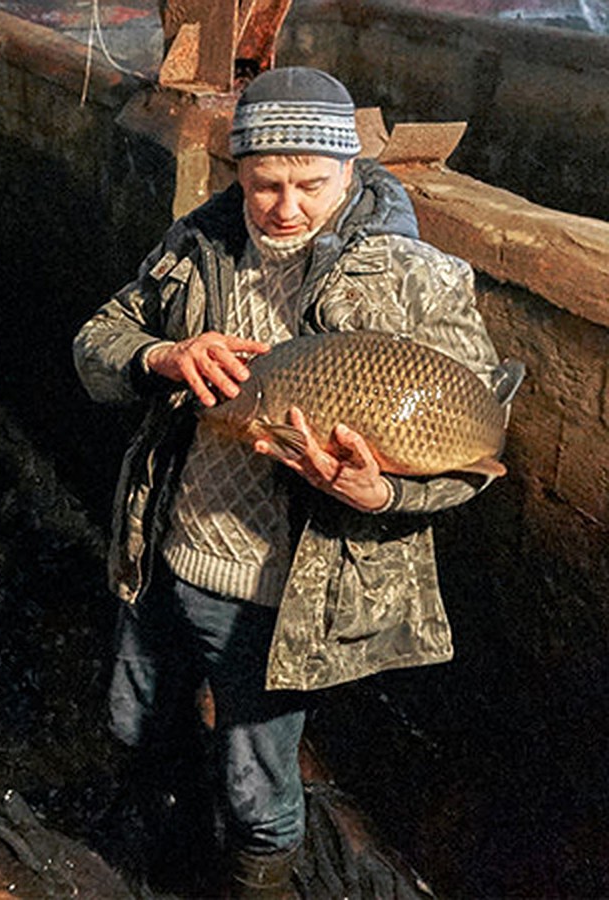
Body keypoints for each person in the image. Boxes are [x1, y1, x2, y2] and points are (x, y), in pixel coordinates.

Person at [73, 67, 504, 898]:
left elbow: (469, 456)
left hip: (277, 594)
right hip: (162, 551)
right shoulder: (194, 244)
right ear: (237, 169)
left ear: (350, 170)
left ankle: (256, 881)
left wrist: (382, 494)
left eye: (312, 184)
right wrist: (159, 354)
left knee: (257, 785)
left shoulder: (417, 281)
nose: (286, 207)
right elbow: (97, 341)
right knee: (136, 723)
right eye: (265, 182)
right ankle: (162, 854)